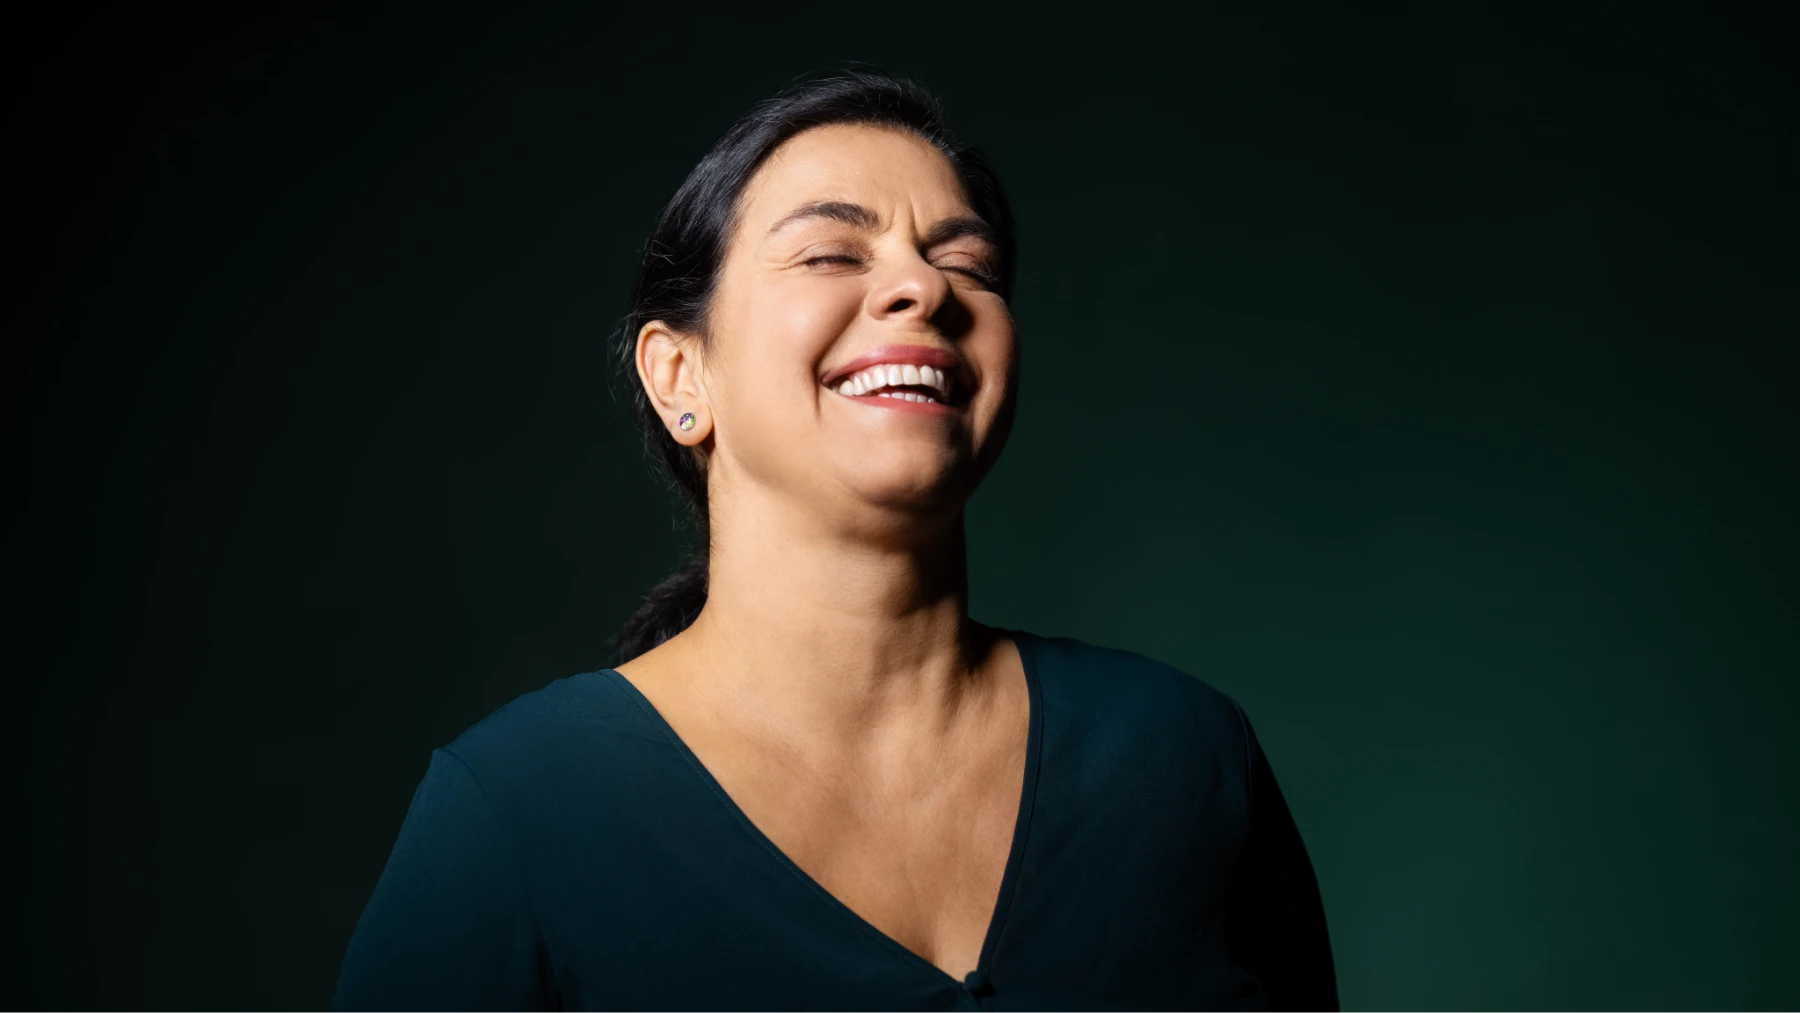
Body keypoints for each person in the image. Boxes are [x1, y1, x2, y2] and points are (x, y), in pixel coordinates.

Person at [332, 69, 1338, 1011]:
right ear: (681, 377)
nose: (924, 289)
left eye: (968, 263)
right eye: (830, 252)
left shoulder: (1185, 756)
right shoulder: (513, 812)